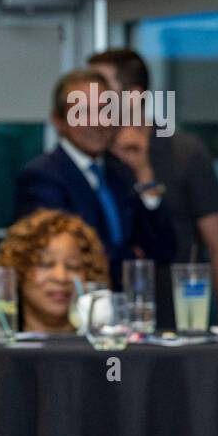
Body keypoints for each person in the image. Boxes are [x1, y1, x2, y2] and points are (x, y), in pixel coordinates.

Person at [89, 48, 218, 327]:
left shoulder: (184, 151)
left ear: (133, 96)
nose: (90, 96)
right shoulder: (94, 157)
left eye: (101, 88)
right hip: (106, 314)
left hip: (179, 313)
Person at [15, 67, 175, 288]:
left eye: (104, 110)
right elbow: (68, 255)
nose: (97, 122)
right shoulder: (42, 176)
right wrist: (131, 256)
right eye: (82, 112)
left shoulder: (121, 173)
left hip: (128, 311)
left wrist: (144, 172)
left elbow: (163, 250)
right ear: (59, 121)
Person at [0, 208, 109, 333]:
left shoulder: (107, 345)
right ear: (19, 270)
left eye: (73, 266)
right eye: (46, 264)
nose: (61, 277)